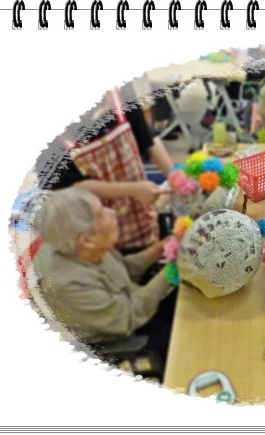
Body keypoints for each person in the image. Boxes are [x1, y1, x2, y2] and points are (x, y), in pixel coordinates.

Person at [31, 188, 176, 361]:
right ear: (87, 240)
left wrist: (159, 249)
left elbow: (122, 269)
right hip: (118, 336)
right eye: (101, 214)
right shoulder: (67, 284)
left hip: (131, 303)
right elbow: (128, 316)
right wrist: (174, 269)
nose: (111, 212)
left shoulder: (79, 245)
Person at [35, 83, 176, 254]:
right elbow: (65, 185)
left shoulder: (119, 92)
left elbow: (146, 137)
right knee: (109, 264)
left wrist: (176, 177)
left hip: (141, 216)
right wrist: (132, 190)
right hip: (94, 235)